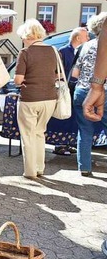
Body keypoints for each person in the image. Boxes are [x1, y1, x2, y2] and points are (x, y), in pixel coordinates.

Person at [13, 19, 58, 179]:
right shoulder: (53, 50)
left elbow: (18, 80)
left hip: (30, 98)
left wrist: (18, 81)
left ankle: (30, 172)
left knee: (28, 135)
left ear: (27, 35)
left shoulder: (25, 53)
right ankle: (40, 168)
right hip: (50, 98)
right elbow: (58, 75)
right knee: (40, 133)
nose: (23, 40)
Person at [72, 12, 107, 177]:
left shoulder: (85, 46)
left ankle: (84, 167)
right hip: (103, 91)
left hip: (81, 91)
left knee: (84, 130)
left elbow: (75, 73)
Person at [49, 27, 90, 156]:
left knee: (72, 119)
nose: (88, 39)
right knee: (62, 117)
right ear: (78, 38)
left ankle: (68, 143)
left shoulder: (83, 51)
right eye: (86, 36)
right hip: (65, 90)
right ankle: (59, 144)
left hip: (76, 89)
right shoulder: (64, 51)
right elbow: (56, 72)